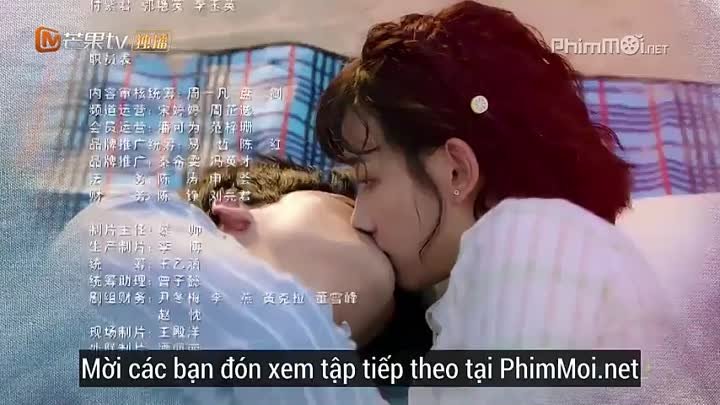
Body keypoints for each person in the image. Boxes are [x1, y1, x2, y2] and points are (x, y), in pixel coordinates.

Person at [315, 1, 710, 403]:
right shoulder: (484, 295)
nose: (360, 219)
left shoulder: (530, 235)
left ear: (457, 171)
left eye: (368, 180)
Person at [17, 157, 396, 405]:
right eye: (346, 209)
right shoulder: (132, 222)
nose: (365, 220)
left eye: (341, 336)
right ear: (234, 211)